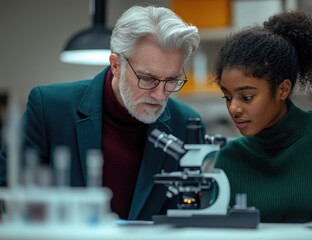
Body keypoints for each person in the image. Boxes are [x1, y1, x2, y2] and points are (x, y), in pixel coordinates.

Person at [0, 5, 203, 221]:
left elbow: (192, 214)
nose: (161, 95)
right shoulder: (49, 108)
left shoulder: (188, 124)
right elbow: (5, 189)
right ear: (116, 65)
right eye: (148, 79)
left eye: (171, 80)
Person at [212, 11, 312, 224]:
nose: (233, 108)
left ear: (282, 89)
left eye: (246, 97)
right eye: (227, 97)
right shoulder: (229, 157)